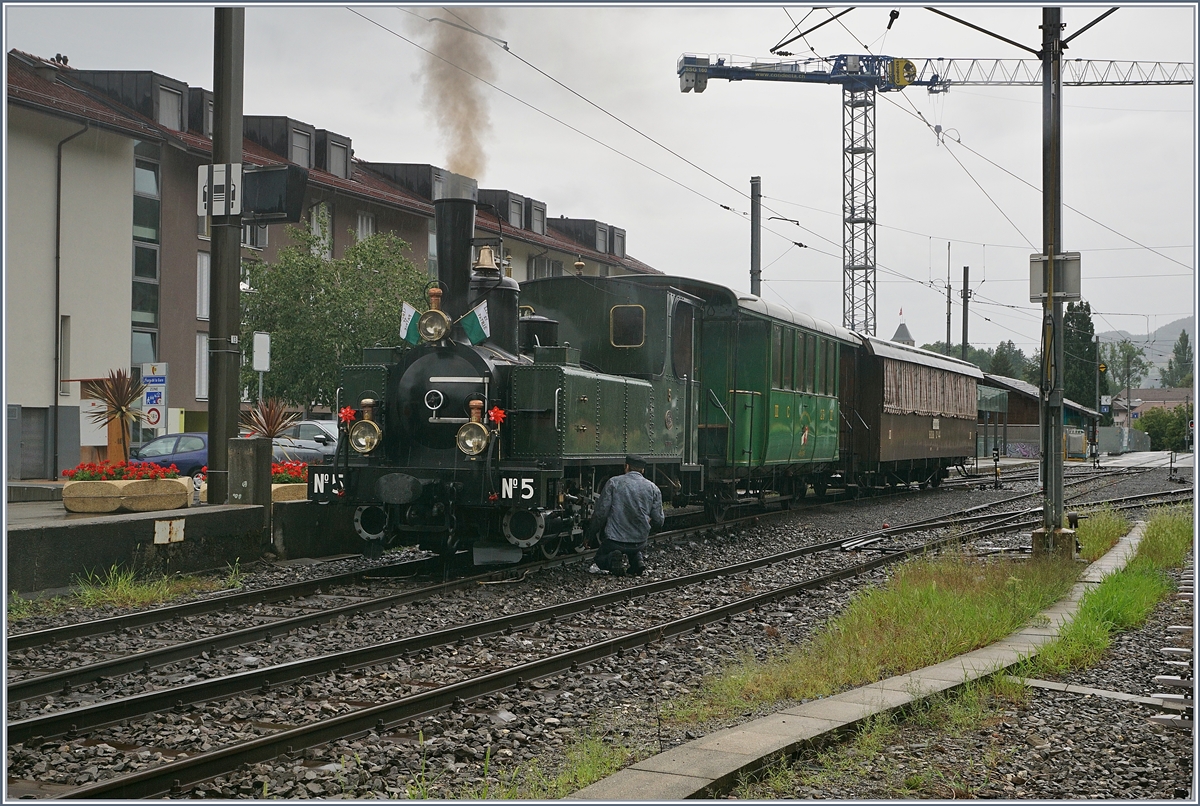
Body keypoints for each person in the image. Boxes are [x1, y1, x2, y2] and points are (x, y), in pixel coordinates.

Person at [588, 455, 664, 576]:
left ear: (626, 466)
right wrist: (648, 531)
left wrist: (590, 535)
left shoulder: (613, 483)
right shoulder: (653, 488)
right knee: (634, 548)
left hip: (614, 541)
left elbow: (600, 514)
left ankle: (613, 559)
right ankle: (637, 562)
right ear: (642, 470)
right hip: (639, 542)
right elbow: (659, 520)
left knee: (600, 558)